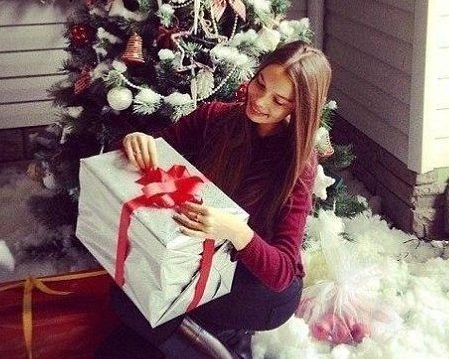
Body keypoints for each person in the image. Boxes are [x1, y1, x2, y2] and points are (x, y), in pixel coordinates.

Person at [97, 41, 332, 358]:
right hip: (203, 259)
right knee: (122, 314)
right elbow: (152, 155)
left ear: (297, 109)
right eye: (260, 83)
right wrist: (133, 142)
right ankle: (214, 336)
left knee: (137, 303)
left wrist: (235, 230)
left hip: (258, 286)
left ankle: (217, 343)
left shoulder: (298, 163)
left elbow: (282, 274)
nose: (259, 100)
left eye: (278, 100)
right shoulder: (214, 117)